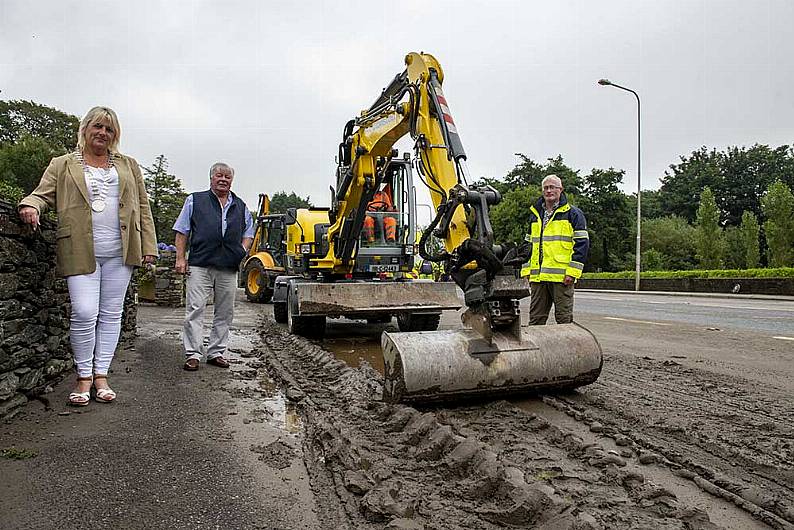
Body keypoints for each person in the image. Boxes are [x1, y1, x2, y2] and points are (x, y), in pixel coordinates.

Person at [18, 106, 158, 406]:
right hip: (79, 248)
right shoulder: (63, 163)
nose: (102, 133)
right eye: (98, 126)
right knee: (83, 311)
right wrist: (30, 206)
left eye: (109, 129)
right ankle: (82, 376)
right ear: (85, 128)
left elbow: (143, 208)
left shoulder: (129, 165)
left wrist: (149, 247)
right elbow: (42, 194)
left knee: (111, 314)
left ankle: (101, 375)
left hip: (121, 251)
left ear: (114, 135)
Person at [173, 163, 254, 371]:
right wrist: (180, 258)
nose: (223, 179)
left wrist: (241, 252)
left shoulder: (240, 205)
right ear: (211, 178)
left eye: (227, 177)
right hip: (200, 264)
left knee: (225, 311)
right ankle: (193, 354)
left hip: (228, 266)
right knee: (195, 308)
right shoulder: (195, 200)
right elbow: (182, 231)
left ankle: (216, 352)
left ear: (231, 180)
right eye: (219, 175)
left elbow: (249, 233)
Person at [520, 174, 589, 325]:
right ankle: (537, 349)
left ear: (561, 190)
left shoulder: (573, 214)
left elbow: (582, 245)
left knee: (564, 321)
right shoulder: (535, 215)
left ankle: (567, 349)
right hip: (538, 278)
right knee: (536, 320)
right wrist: (526, 272)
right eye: (546, 188)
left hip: (562, 278)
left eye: (552, 187)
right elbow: (527, 246)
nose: (549, 190)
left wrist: (572, 272)